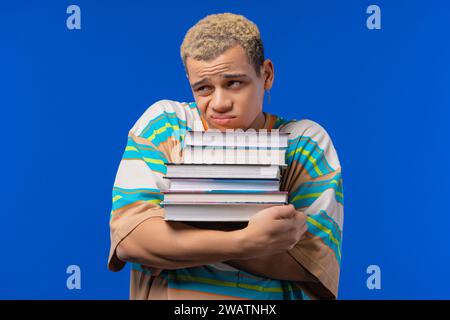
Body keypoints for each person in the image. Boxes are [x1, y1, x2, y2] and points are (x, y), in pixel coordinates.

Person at [108, 12, 344, 300]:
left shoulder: (305, 142)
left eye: (234, 83)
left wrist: (175, 231)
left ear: (266, 74)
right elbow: (131, 240)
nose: (219, 104)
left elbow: (311, 264)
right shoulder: (165, 124)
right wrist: (247, 239)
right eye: (203, 88)